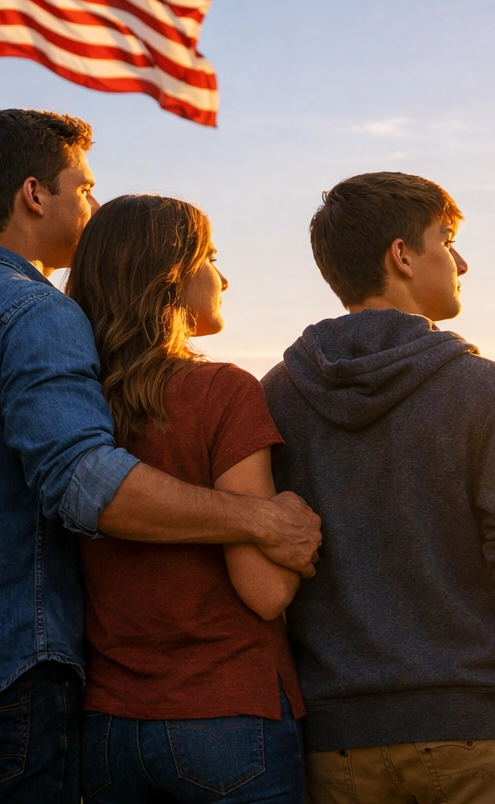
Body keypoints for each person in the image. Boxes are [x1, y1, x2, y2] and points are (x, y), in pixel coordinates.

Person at [0, 110, 321, 803]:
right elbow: (85, 482)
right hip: (9, 686)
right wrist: (261, 520)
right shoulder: (34, 313)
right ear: (35, 195)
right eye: (85, 188)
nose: (94, 208)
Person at [262, 171, 495, 804]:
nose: (462, 260)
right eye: (447, 239)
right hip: (484, 737)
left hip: (337, 749)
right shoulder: (489, 390)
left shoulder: (274, 396)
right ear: (402, 256)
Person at [66, 195, 307, 804]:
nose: (223, 278)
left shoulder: (73, 409)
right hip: (227, 714)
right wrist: (295, 522)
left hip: (108, 729)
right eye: (211, 259)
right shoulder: (221, 391)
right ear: (172, 278)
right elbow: (265, 591)